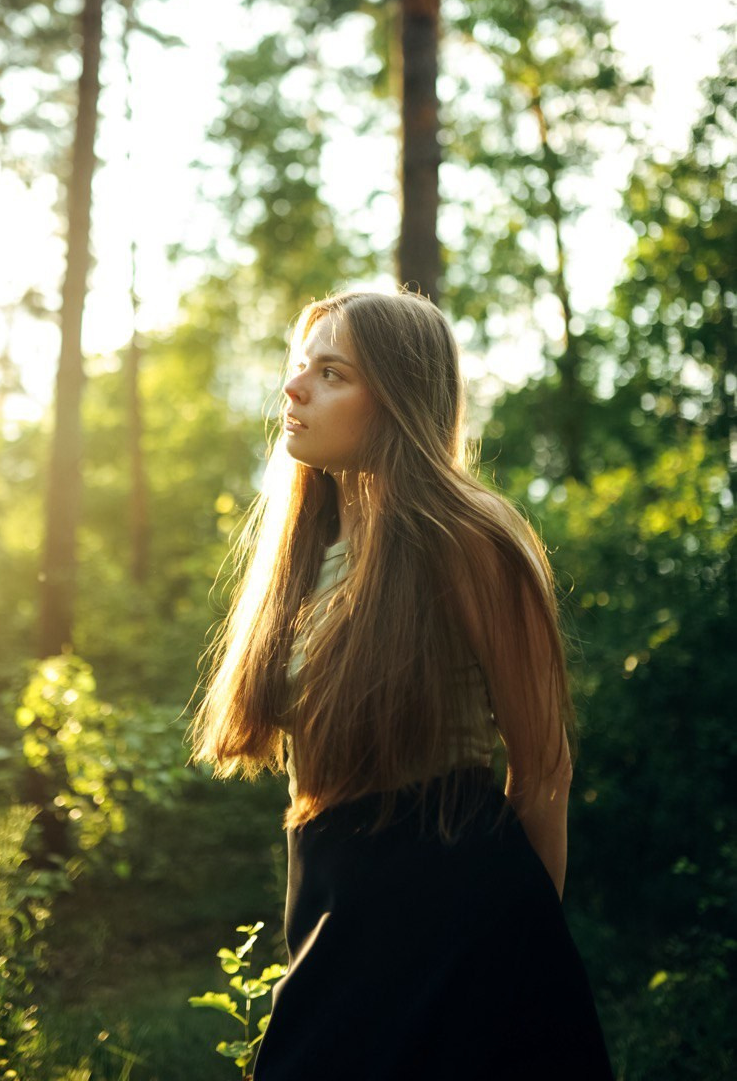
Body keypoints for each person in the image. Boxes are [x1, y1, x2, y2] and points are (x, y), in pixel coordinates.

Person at [192, 289, 614, 1079]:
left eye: (331, 372)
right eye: (299, 367)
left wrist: (520, 954)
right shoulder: (306, 555)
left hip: (456, 906)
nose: (294, 388)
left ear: (396, 399)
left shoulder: (468, 536)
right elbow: (311, 792)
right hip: (332, 902)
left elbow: (544, 768)